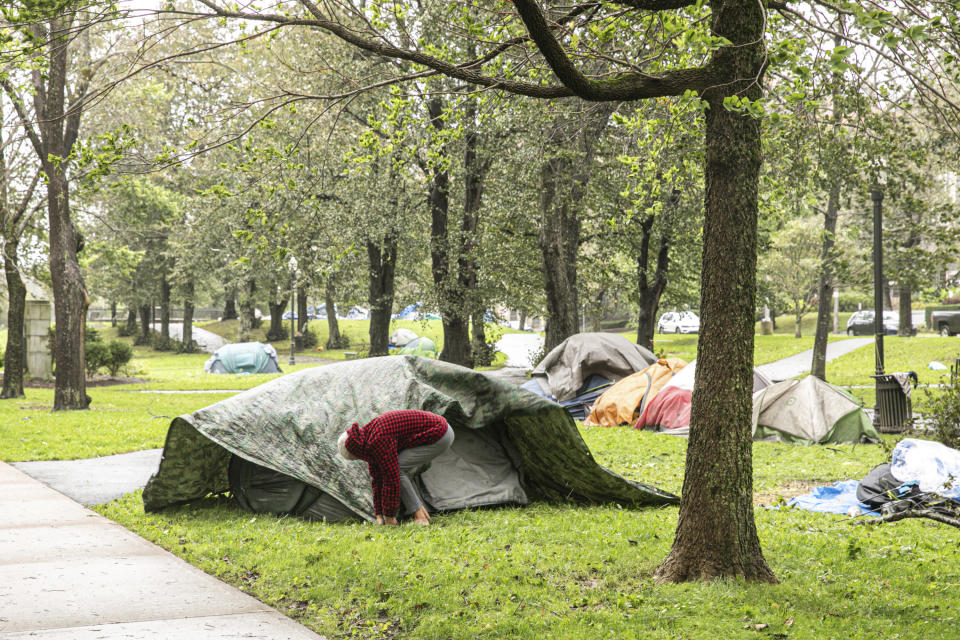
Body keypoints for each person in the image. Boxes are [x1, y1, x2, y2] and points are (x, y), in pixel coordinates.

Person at [337, 409, 454, 525]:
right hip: (440, 430)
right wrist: (378, 514)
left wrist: (390, 517)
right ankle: (422, 514)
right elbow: (377, 478)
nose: (359, 459)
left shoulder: (378, 440)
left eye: (356, 457)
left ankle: (420, 518)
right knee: (396, 469)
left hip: (440, 433)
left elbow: (391, 478)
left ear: (355, 450)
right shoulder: (367, 438)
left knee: (397, 470)